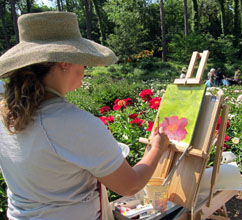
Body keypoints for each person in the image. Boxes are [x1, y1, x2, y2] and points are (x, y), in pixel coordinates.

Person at [0, 12, 169, 220]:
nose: (84, 67)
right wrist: (157, 148)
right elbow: (130, 184)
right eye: (81, 59)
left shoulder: (7, 113)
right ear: (64, 61)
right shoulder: (72, 123)